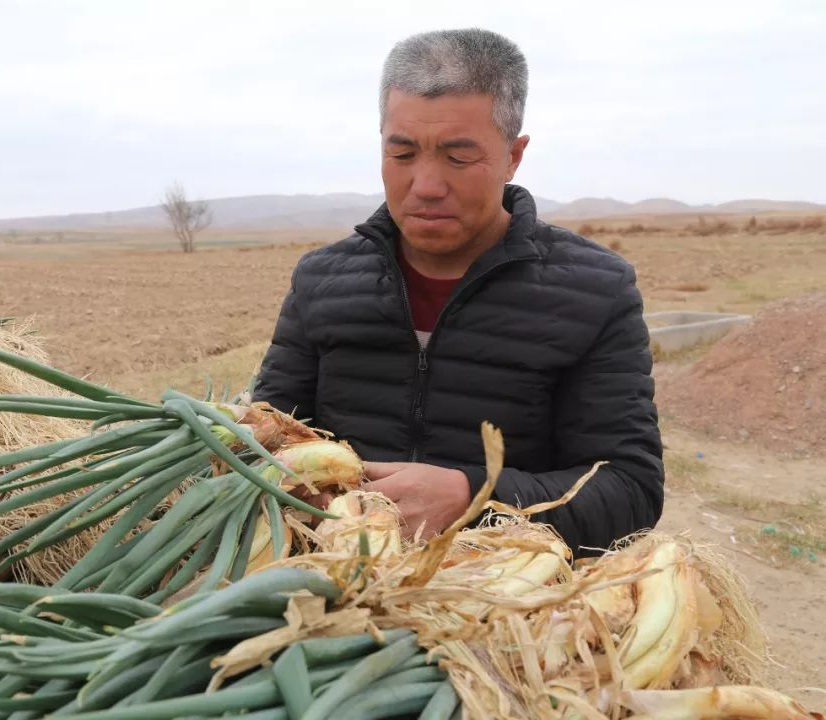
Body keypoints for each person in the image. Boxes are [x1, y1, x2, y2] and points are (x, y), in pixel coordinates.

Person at [251, 28, 664, 557]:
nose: (425, 184)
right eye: (402, 155)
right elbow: (264, 443)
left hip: (501, 602)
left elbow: (630, 490)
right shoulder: (322, 281)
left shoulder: (594, 289)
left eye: (457, 157)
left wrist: (475, 498)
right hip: (327, 585)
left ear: (514, 156)